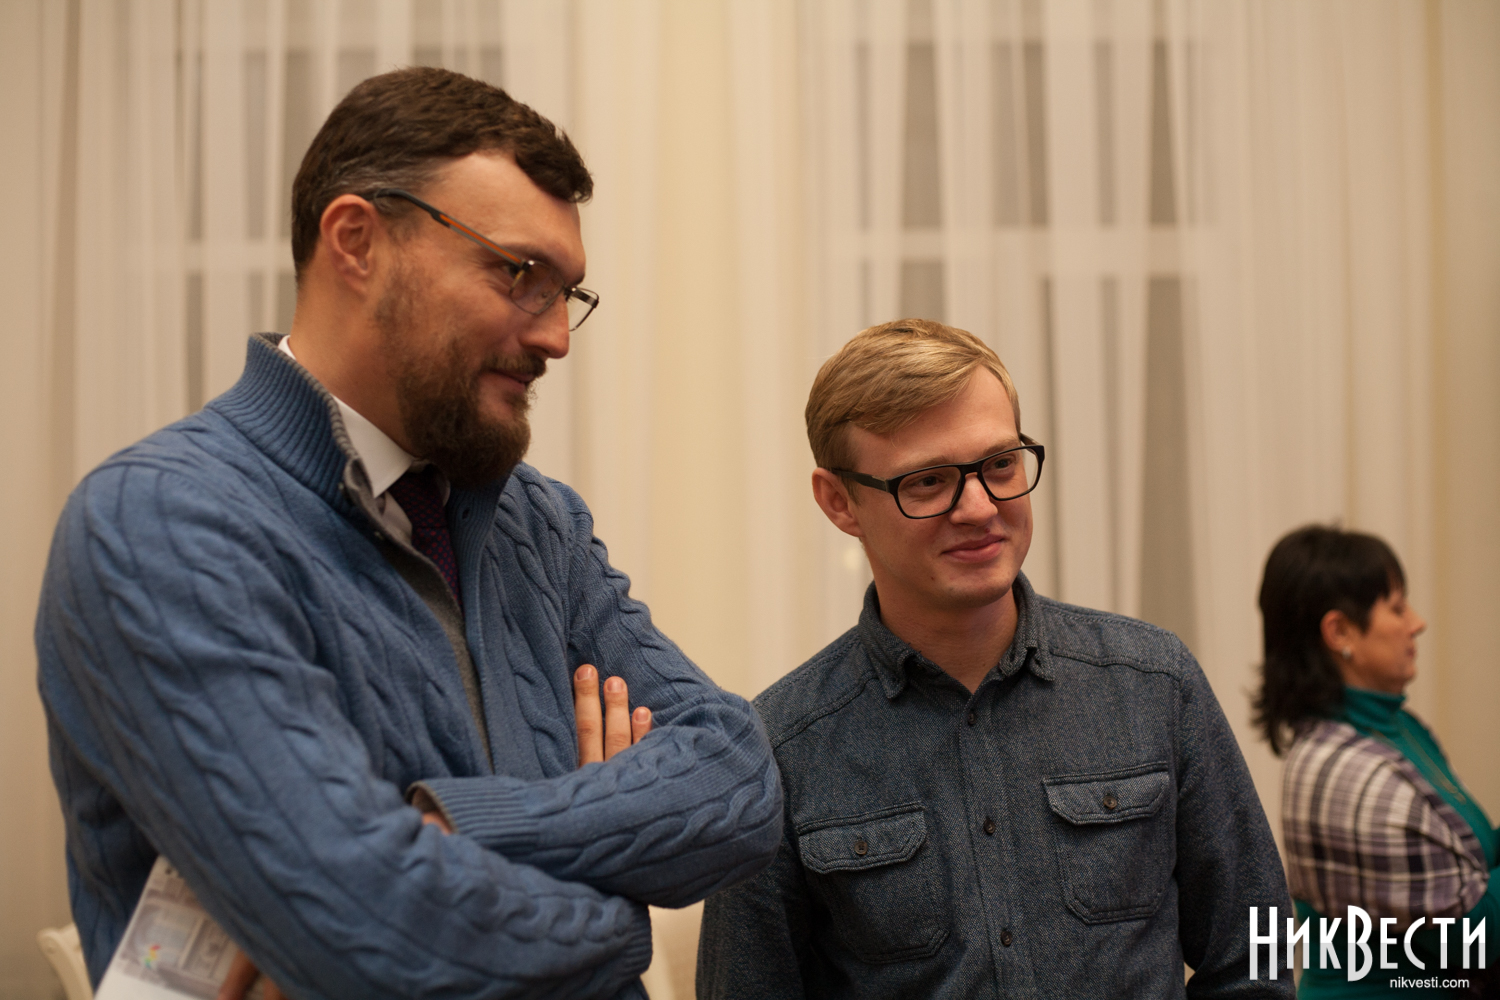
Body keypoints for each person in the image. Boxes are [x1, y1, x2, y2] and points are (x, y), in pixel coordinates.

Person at [36, 67, 781, 1000]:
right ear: (357, 242)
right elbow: (370, 930)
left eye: (568, 293)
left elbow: (738, 776)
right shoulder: (162, 526)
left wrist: (460, 824)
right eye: (520, 275)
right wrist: (620, 905)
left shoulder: (535, 520)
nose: (557, 336)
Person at [697, 318, 1293, 997]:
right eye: (928, 481)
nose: (980, 508)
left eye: (1001, 465)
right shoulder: (777, 751)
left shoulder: (1155, 685)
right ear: (840, 502)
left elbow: (1256, 957)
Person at [1254, 526, 1496, 998]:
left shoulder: (1400, 726)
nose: (1417, 623)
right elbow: (1469, 937)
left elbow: (1471, 854)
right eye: (1398, 608)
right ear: (1340, 632)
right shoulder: (1340, 767)